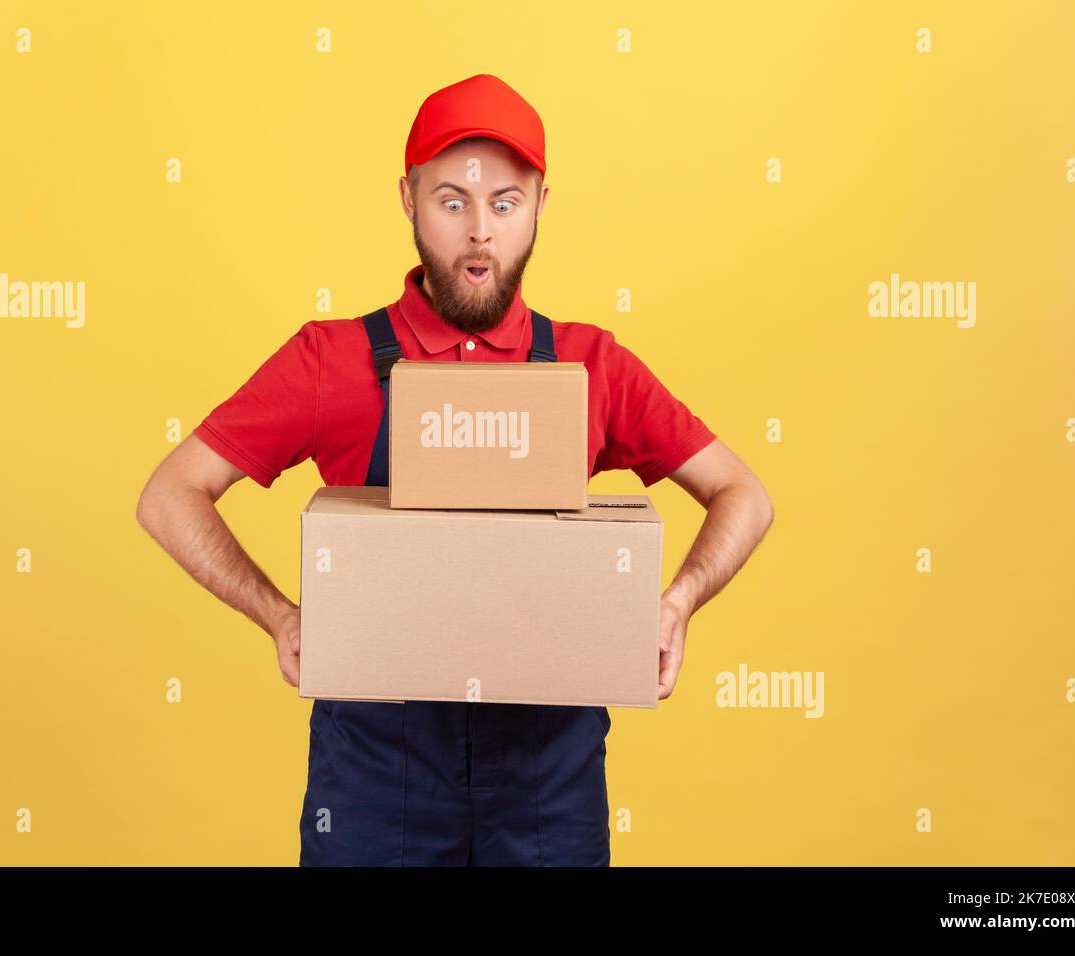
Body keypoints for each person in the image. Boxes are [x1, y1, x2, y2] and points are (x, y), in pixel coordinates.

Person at [136, 73, 774, 866]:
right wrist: (280, 615)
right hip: (375, 785)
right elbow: (169, 495)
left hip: (548, 786)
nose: (480, 232)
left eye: (505, 203)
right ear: (407, 199)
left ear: (541, 204)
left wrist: (677, 603)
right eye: (451, 201)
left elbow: (744, 494)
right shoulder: (329, 361)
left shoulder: (591, 365)